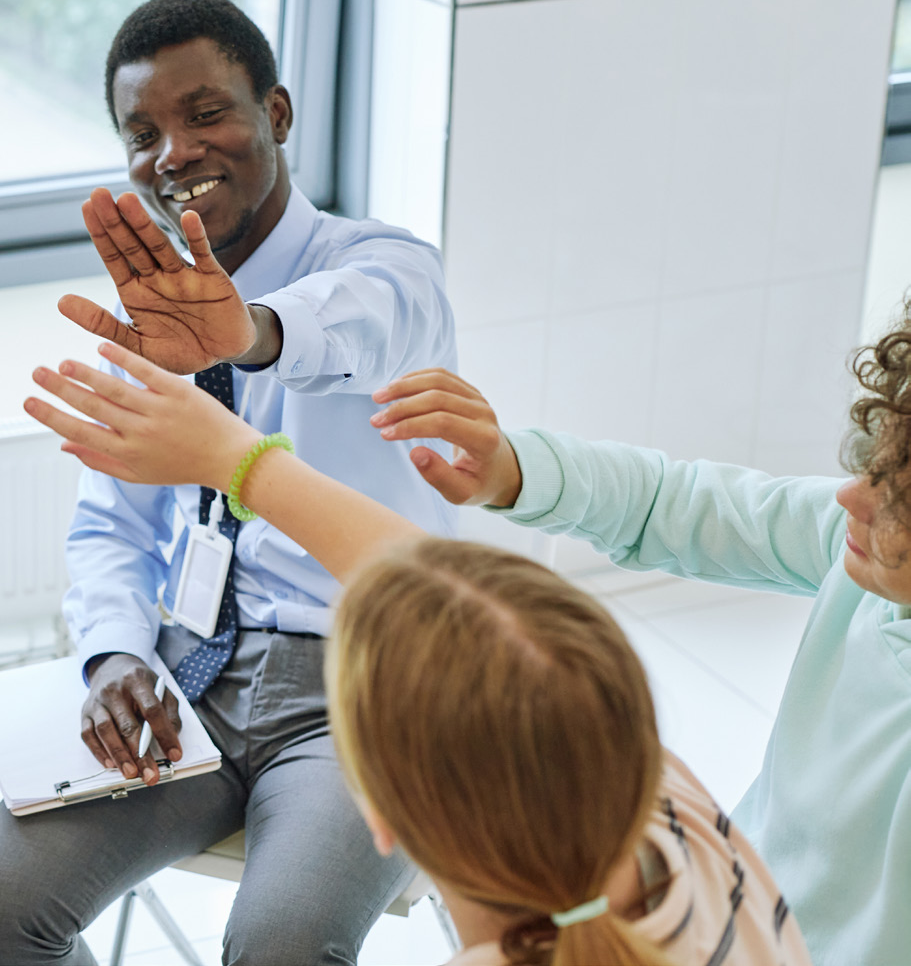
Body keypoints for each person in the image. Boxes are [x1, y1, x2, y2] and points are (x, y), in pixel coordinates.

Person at [24, 342, 812, 966]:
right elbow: (453, 598)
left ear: (383, 819)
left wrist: (244, 462)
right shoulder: (693, 832)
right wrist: (241, 460)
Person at [0, 0, 455, 966]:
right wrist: (115, 654)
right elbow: (107, 531)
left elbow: (339, 328)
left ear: (275, 115)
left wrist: (244, 333)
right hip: (188, 672)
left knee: (279, 948)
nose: (174, 152)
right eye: (143, 134)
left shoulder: (387, 270)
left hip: (362, 688)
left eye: (205, 113)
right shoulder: (151, 323)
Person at [356, 336, 911, 966]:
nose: (852, 498)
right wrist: (513, 470)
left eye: (900, 502)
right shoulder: (861, 544)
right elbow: (673, 502)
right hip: (734, 909)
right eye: (876, 467)